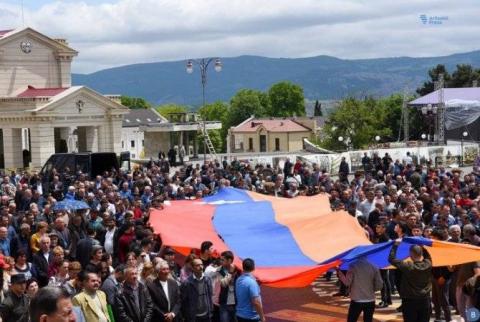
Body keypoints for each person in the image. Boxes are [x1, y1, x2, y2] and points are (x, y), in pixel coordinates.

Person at [388, 239, 432, 322]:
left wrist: (396, 245)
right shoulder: (428, 264)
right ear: (421, 254)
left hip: (409, 301)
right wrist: (423, 247)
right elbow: (428, 257)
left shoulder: (407, 266)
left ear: (410, 254)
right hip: (425, 300)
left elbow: (391, 259)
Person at [336, 256, 383, 322]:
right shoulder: (374, 266)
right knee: (368, 320)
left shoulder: (353, 266)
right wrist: (371, 289)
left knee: (351, 320)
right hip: (370, 299)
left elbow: (347, 282)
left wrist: (339, 272)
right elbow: (379, 285)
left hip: (357, 300)